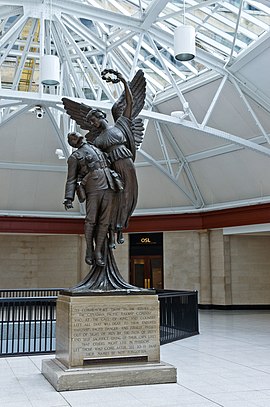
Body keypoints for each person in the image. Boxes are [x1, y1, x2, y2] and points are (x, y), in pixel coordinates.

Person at [86, 71, 137, 245]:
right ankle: (114, 231)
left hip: (127, 163)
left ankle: (121, 227)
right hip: (113, 169)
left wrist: (123, 81)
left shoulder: (120, 125)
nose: (92, 124)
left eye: (93, 120)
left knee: (128, 196)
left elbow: (130, 103)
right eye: (90, 123)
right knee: (116, 198)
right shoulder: (97, 140)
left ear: (100, 116)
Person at [63, 132, 122, 267]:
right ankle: (89, 250)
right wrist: (68, 198)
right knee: (91, 221)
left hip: (109, 185)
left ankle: (98, 251)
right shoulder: (74, 157)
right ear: (73, 142)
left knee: (105, 221)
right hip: (93, 187)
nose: (75, 135)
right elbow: (71, 179)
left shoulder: (96, 147)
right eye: (72, 136)